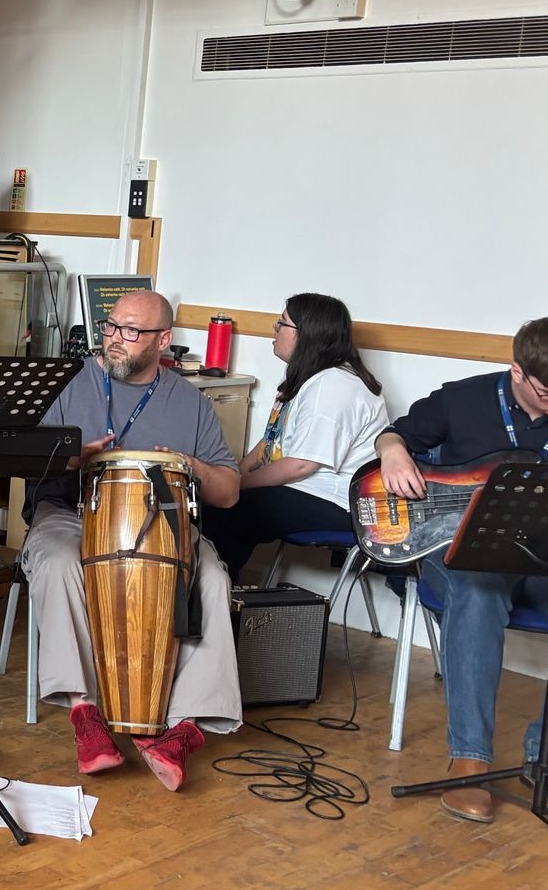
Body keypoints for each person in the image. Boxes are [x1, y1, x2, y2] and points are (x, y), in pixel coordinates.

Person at [374, 314, 548, 823]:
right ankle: (470, 760)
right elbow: (395, 434)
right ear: (518, 372)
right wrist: (393, 451)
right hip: (461, 554)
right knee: (478, 590)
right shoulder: (463, 399)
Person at [21, 290, 244, 790]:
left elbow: (229, 492)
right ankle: (84, 712)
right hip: (71, 514)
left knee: (210, 577)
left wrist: (191, 465)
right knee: (60, 561)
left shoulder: (190, 402)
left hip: (162, 525)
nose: (114, 339)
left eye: (131, 331)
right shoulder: (68, 382)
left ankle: (183, 727)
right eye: (111, 326)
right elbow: (21, 461)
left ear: (164, 340)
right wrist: (72, 457)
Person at [202, 293, 391, 581]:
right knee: (217, 501)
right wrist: (233, 472)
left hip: (339, 503)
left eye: (282, 323)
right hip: (307, 490)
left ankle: (214, 595)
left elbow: (301, 465)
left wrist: (236, 485)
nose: (275, 329)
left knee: (227, 509)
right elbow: (272, 440)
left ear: (306, 334)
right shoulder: (306, 377)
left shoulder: (333, 385)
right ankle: (214, 590)